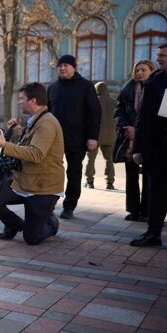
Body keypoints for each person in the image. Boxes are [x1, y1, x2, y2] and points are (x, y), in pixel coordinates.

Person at [0, 83, 65, 245]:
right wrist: (16, 133)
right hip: (25, 180)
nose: (19, 102)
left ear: (33, 100)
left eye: (21, 99)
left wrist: (4, 145)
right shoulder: (35, 120)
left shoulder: (46, 123)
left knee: (32, 239)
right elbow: (27, 146)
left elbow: (36, 154)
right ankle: (14, 224)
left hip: (43, 187)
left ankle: (50, 222)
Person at [131, 42, 167, 247]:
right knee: (157, 193)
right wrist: (138, 147)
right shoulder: (155, 81)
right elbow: (143, 118)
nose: (158, 59)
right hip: (159, 149)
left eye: (163, 55)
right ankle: (153, 234)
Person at [47, 55, 101, 219]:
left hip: (77, 139)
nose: (62, 68)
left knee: (74, 174)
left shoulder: (85, 86)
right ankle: (48, 204)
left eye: (66, 65)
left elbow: (95, 112)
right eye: (60, 66)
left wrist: (92, 137)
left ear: (74, 67)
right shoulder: (53, 88)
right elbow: (47, 113)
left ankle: (69, 206)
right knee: (51, 173)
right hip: (54, 139)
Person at [114, 60, 154, 222]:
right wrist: (126, 127)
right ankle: (133, 210)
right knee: (131, 176)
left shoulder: (156, 87)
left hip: (150, 138)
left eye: (143, 70)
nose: (139, 73)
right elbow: (118, 111)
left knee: (149, 177)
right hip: (129, 139)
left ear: (152, 71)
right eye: (137, 70)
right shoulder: (128, 88)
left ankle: (147, 211)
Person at [84, 81, 116, 190]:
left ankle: (90, 181)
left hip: (95, 135)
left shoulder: (93, 102)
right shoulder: (114, 102)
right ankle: (110, 182)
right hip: (110, 136)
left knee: (91, 159)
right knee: (109, 159)